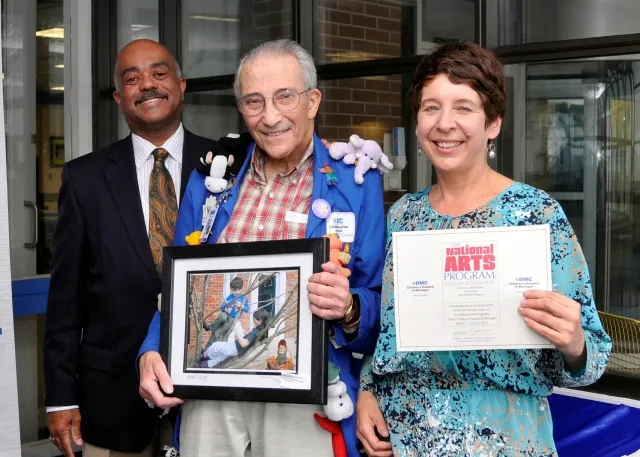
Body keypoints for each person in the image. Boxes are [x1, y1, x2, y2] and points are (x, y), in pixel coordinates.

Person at [355, 41, 612, 457]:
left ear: (493, 123)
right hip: (405, 437)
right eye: (431, 107)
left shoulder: (536, 214)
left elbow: (592, 358)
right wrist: (368, 390)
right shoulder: (404, 215)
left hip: (504, 440)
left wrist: (575, 343)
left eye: (463, 107)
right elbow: (391, 331)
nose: (444, 123)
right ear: (418, 123)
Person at [138, 38, 385, 457]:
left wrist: (348, 307)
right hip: (212, 388)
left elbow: (379, 296)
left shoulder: (355, 183)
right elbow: (176, 286)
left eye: (284, 97)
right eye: (254, 102)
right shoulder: (214, 176)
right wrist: (150, 351)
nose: (270, 117)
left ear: (313, 101)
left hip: (307, 392)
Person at [43, 39, 250, 457]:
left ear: (181, 84)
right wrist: (61, 397)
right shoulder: (84, 179)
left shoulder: (231, 165)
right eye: (132, 79)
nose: (147, 86)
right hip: (111, 398)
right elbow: (66, 300)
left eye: (158, 73)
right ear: (119, 97)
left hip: (214, 391)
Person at [200, 309, 270, 368]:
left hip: (235, 347)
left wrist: (237, 331)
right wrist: (241, 327)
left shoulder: (255, 332)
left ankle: (202, 356)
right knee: (218, 358)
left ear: (260, 321)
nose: (253, 320)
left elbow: (243, 344)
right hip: (236, 350)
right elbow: (248, 335)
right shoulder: (258, 330)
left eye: (255, 319)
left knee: (216, 345)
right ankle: (202, 366)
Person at [203, 276, 249, 342]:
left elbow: (247, 309)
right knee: (221, 320)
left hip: (232, 319)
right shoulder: (230, 297)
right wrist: (225, 309)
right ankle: (209, 330)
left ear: (240, 289)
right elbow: (222, 307)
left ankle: (210, 329)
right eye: (232, 290)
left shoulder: (243, 298)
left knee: (217, 333)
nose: (233, 292)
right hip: (226, 316)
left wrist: (241, 305)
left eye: (235, 290)